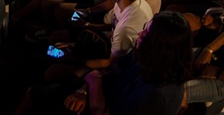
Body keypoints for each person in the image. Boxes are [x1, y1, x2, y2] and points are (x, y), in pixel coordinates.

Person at [61, 11, 192, 115]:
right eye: (144, 28)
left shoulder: (155, 95)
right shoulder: (145, 56)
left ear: (160, 47)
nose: (139, 34)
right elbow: (108, 71)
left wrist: (94, 82)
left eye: (146, 33)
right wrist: (83, 91)